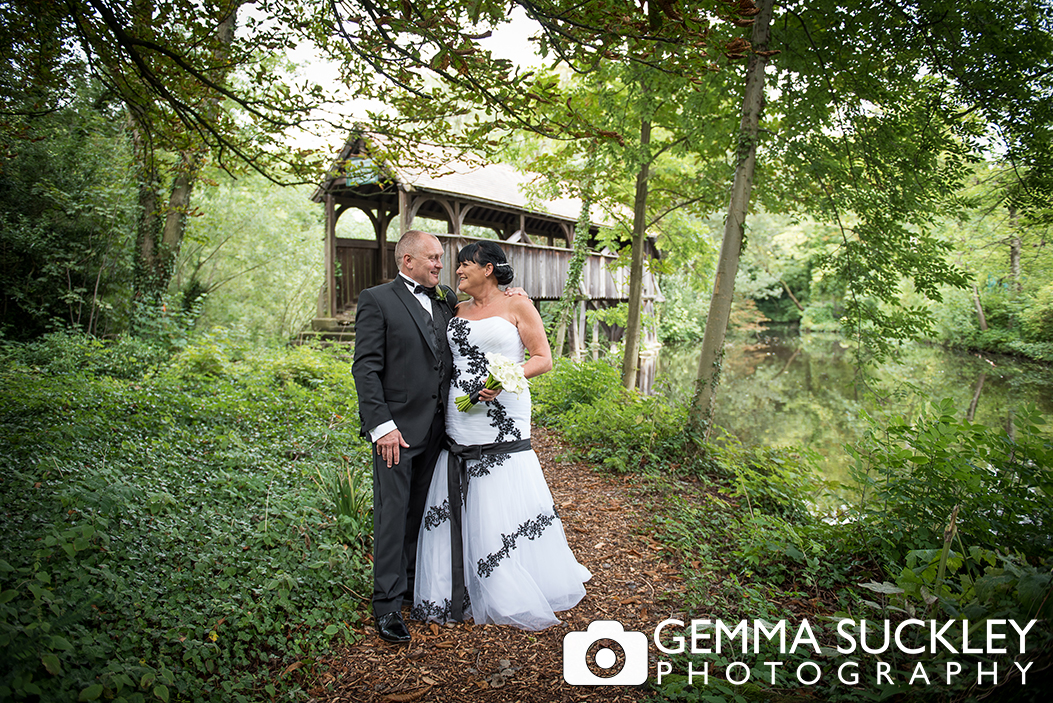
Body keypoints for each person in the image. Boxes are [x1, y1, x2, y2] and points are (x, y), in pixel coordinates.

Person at [412, 240, 591, 631]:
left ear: (488, 268)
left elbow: (543, 359)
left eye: (464, 265)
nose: (457, 271)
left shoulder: (517, 305)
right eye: (455, 266)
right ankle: (456, 581)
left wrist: (506, 378)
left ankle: (506, 577)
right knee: (460, 474)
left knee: (500, 481)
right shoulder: (453, 308)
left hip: (504, 410)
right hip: (460, 414)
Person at [352, 230, 460, 645]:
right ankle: (387, 606)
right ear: (407, 261)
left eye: (440, 258)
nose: (439, 264)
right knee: (392, 516)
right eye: (432, 258)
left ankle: (415, 589)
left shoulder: (446, 300)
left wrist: (509, 292)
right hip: (395, 433)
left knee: (421, 511)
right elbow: (365, 369)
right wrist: (382, 427)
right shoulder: (377, 300)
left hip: (438, 430)